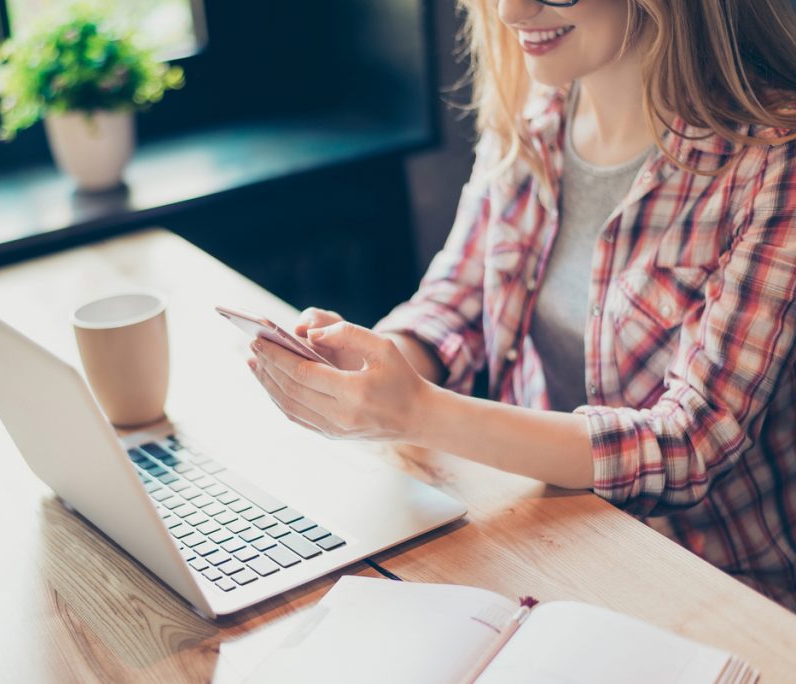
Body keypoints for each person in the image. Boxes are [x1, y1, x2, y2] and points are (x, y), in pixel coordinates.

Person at [247, 0, 796, 610]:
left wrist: (420, 412)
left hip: (710, 581)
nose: (510, 12)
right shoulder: (534, 110)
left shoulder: (772, 160)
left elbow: (690, 441)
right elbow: (452, 304)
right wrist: (368, 368)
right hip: (545, 539)